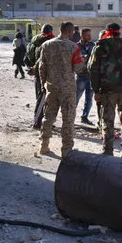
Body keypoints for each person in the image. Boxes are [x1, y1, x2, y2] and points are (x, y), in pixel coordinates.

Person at [88, 23, 122, 157]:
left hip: (107, 91)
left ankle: (108, 149)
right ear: (119, 33)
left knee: (108, 120)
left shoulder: (100, 49)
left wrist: (96, 90)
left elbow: (93, 70)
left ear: (106, 32)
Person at [38, 22, 85, 157]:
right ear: (70, 32)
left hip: (52, 87)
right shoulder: (73, 47)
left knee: (48, 117)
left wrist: (43, 85)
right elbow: (78, 68)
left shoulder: (47, 45)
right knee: (68, 119)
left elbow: (42, 68)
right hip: (68, 89)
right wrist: (84, 62)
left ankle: (44, 145)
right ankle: (66, 150)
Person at [25, 24, 55, 100]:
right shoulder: (50, 40)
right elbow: (43, 57)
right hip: (46, 71)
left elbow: (28, 54)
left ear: (41, 31)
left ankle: (39, 108)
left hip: (36, 70)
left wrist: (31, 67)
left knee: (39, 92)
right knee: (45, 94)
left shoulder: (34, 39)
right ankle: (40, 110)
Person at [75, 28, 95, 126]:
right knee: (76, 97)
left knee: (89, 99)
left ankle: (85, 117)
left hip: (91, 76)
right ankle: (70, 116)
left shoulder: (93, 45)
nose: (90, 37)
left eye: (90, 35)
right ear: (82, 36)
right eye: (87, 35)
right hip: (81, 76)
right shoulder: (76, 46)